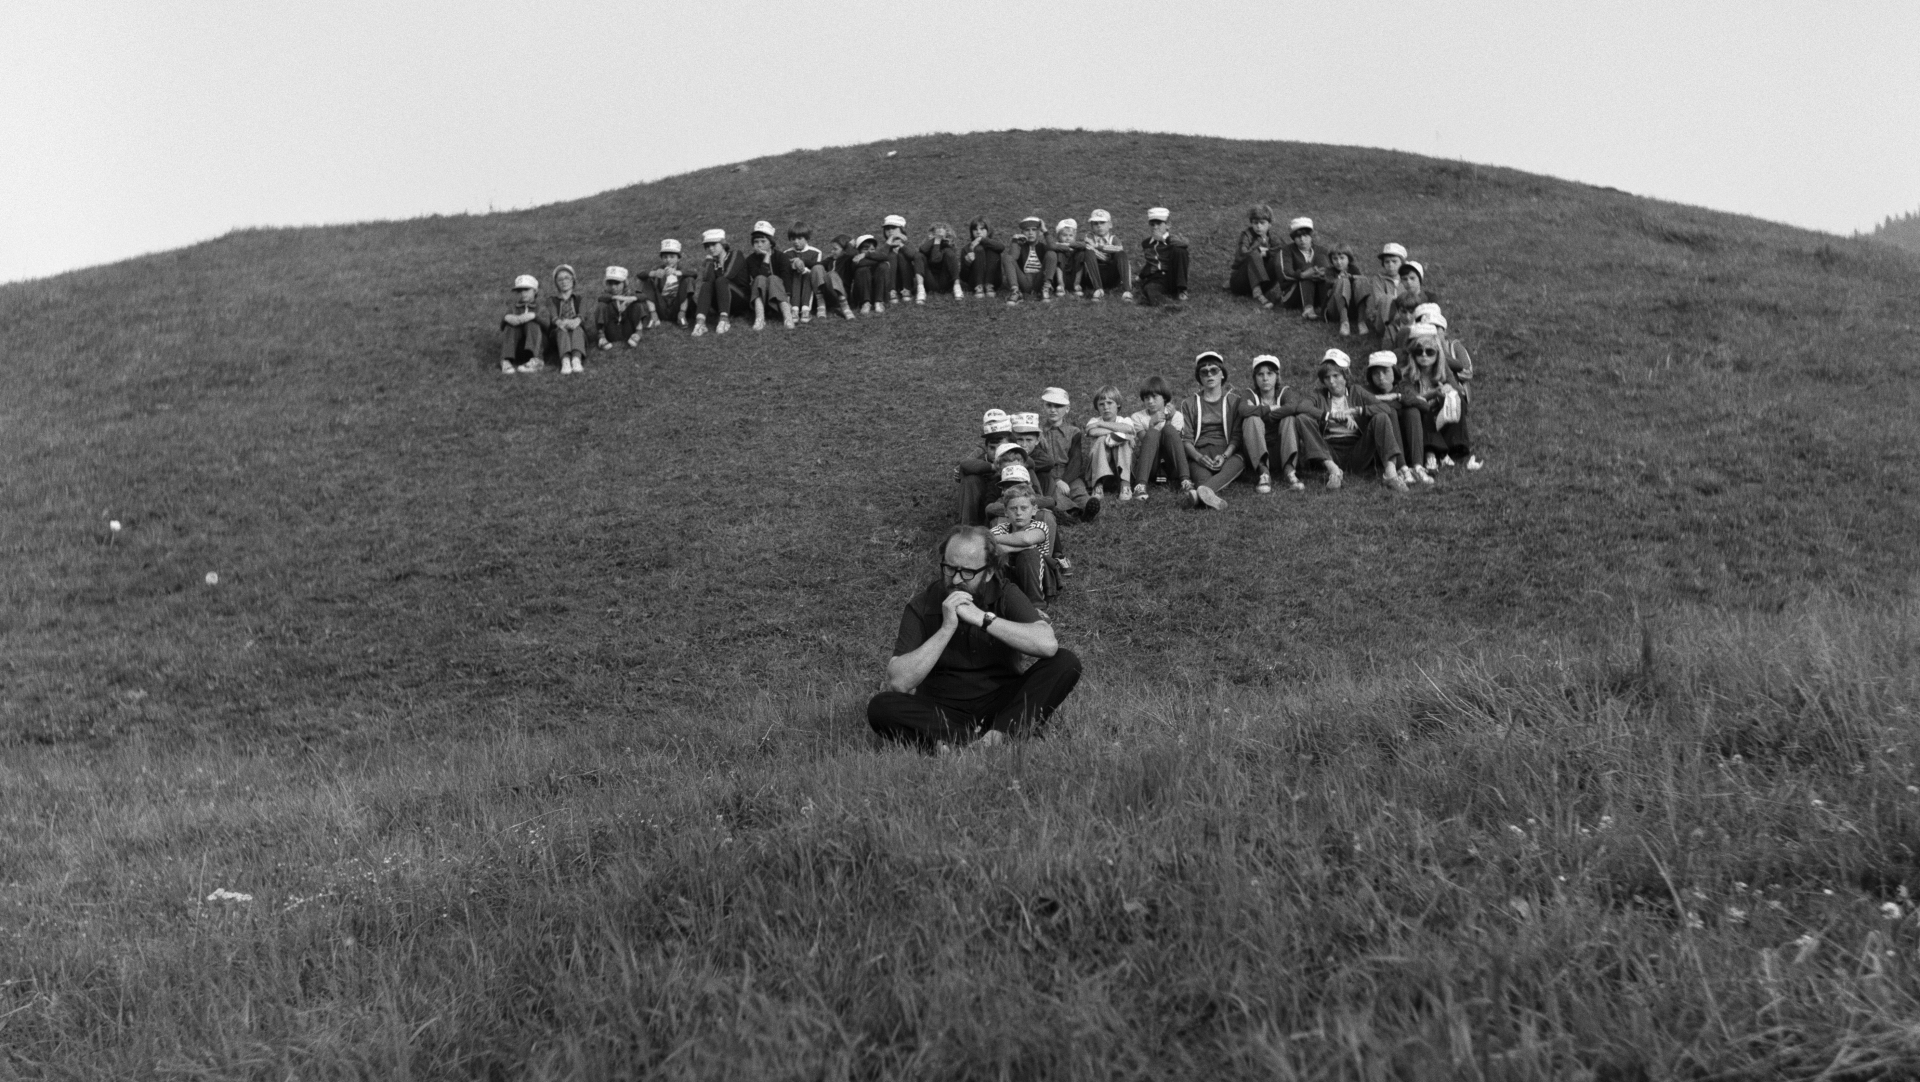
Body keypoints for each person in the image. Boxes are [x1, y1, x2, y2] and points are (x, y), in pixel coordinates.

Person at [866, 526, 1082, 751]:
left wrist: (983, 618)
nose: (956, 579)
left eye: (967, 572)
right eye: (949, 569)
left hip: (1001, 702)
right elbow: (899, 682)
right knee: (881, 707)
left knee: (1066, 662)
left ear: (988, 572)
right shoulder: (923, 604)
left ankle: (988, 737)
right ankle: (976, 740)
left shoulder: (1005, 593)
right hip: (943, 708)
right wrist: (946, 628)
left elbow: (1047, 644)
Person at [1287, 353, 1410, 492]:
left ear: (1346, 375)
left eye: (1336, 376)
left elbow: (1385, 407)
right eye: (1326, 378)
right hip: (1329, 451)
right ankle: (1334, 471)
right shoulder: (1319, 394)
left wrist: (1356, 411)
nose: (1331, 382)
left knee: (1381, 417)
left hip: (1357, 449)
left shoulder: (1356, 391)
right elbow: (1302, 407)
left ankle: (1391, 474)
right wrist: (1329, 415)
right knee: (1302, 418)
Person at [1401, 331, 1483, 472]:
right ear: (1413, 355)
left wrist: (1449, 389)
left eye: (1430, 352)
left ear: (1438, 354)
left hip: (1440, 415)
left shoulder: (1443, 369)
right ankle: (1434, 454)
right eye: (1419, 352)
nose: (1424, 355)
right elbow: (1410, 399)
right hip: (1421, 420)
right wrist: (1431, 394)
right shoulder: (1407, 374)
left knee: (1458, 401)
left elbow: (1459, 391)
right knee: (1423, 408)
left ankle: (1456, 449)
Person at [1178, 351, 1248, 509]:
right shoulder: (1189, 403)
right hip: (1200, 454)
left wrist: (1224, 456)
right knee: (1202, 477)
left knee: (1238, 461)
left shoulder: (1234, 401)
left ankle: (1197, 495)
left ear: (1222, 374)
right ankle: (1205, 494)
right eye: (1204, 372)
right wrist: (1198, 457)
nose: (1209, 374)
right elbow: (1186, 439)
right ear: (1199, 378)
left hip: (1227, 454)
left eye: (1214, 370)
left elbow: (1236, 436)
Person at [1236, 354, 1306, 493]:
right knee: (1252, 419)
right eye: (1260, 374)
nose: (1265, 378)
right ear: (1255, 378)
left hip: (1281, 450)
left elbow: (1292, 407)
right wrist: (1269, 408)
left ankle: (1289, 470)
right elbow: (1243, 410)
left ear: (1277, 376)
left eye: (1270, 373)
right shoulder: (1250, 394)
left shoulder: (1285, 392)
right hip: (1256, 453)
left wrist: (1265, 415)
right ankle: (1263, 473)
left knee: (1289, 418)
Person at [989, 484, 1059, 601]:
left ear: (1034, 510)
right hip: (1010, 578)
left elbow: (1027, 539)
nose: (1018, 513)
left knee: (1029, 554)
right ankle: (999, 599)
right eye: (1013, 509)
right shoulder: (1001, 529)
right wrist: (1017, 548)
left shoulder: (1039, 526)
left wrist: (995, 540)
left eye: (1024, 508)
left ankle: (1036, 604)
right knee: (994, 557)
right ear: (1006, 512)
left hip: (1036, 580)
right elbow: (990, 547)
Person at [1127, 374, 1191, 500]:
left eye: (1154, 397)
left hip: (1171, 465)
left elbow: (1175, 444)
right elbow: (1146, 442)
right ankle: (1140, 485)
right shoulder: (1137, 417)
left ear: (1165, 398)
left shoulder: (1177, 416)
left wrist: (1169, 420)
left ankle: (1185, 481)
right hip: (1151, 466)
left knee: (1168, 429)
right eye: (1146, 398)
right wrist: (1151, 424)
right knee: (1152, 433)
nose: (1150, 401)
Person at [954, 409, 1014, 525]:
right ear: (986, 448)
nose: (997, 452)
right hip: (980, 503)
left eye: (1001, 447)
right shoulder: (982, 458)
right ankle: (966, 527)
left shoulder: (1016, 457)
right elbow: (964, 465)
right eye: (992, 448)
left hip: (1006, 505)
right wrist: (993, 467)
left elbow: (1032, 463)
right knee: (970, 480)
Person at [1081, 385, 1138, 498]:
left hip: (1122, 469)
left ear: (1118, 404)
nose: (1106, 407)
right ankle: (1098, 486)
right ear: (1097, 407)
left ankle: (1125, 486)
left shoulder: (1125, 420)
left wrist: (1100, 424)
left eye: (1109, 403)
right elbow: (1092, 432)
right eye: (1101, 404)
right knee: (1105, 438)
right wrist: (1120, 433)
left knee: (1122, 442)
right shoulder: (1093, 421)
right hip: (1099, 469)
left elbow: (1128, 428)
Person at [741, 221, 796, 330]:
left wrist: (788, 299)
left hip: (780, 298)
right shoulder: (750, 260)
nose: (759, 245)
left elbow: (786, 278)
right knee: (760, 278)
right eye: (756, 242)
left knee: (773, 278)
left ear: (771, 242)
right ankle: (760, 318)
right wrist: (766, 259)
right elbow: (758, 280)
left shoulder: (781, 257)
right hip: (761, 299)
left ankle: (787, 317)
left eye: (763, 241)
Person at [690, 229, 743, 337]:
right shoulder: (713, 261)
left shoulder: (736, 254)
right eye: (708, 246)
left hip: (739, 299)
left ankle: (724, 320)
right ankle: (700, 323)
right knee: (706, 285)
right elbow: (708, 280)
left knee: (721, 280)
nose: (710, 248)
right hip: (721, 300)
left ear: (723, 243)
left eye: (714, 244)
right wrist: (709, 262)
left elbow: (729, 275)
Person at [1073, 208, 1132, 301]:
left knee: (1121, 254)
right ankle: (1098, 289)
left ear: (1110, 225)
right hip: (1093, 275)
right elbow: (1089, 249)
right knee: (1088, 252)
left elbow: (1119, 248)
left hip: (1111, 275)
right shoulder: (1089, 237)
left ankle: (1127, 290)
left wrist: (1097, 246)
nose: (1099, 226)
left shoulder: (1114, 239)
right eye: (1095, 223)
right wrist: (1107, 255)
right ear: (1091, 226)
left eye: (1102, 223)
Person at [1229, 204, 1282, 306]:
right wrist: (1258, 249)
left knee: (1279, 257)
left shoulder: (1272, 237)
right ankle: (1258, 294)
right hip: (1240, 282)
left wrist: (1265, 252)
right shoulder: (1246, 235)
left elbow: (1281, 250)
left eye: (1262, 223)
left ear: (1269, 224)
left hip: (1264, 282)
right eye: (1255, 223)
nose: (1258, 226)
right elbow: (1242, 254)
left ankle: (1285, 291)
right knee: (1254, 254)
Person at [540, 264, 589, 373]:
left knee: (577, 330)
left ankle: (576, 359)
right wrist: (561, 323)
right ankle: (565, 360)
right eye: (560, 279)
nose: (564, 281)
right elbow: (554, 317)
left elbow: (582, 315)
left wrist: (575, 321)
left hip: (577, 328)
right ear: (556, 283)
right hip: (558, 330)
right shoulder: (551, 300)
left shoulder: (581, 298)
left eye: (567, 278)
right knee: (561, 331)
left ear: (573, 279)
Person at [1137, 208, 1190, 306]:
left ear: (1168, 225)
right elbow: (1150, 262)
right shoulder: (1146, 243)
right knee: (1150, 289)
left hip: (1173, 276)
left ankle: (1182, 289)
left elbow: (1185, 243)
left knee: (1180, 250)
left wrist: (1163, 239)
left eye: (1159, 224)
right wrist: (1141, 276)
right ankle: (1167, 305)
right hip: (1157, 278)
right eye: (1152, 224)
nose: (1155, 227)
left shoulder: (1175, 239)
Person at [1277, 217, 1329, 318]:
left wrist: (1323, 274)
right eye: (1298, 236)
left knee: (1321, 260)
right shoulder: (1287, 250)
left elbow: (1334, 271)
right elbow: (1285, 273)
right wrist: (1302, 274)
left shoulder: (1322, 250)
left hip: (1317, 293)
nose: (1302, 239)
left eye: (1305, 235)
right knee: (1306, 269)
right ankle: (1308, 309)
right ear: (1293, 238)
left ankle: (1326, 308)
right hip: (1292, 296)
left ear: (1311, 236)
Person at [1002, 215, 1055, 304]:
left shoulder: (1043, 247)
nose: (1030, 233)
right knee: (1007, 257)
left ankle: (1045, 289)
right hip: (1024, 280)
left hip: (1040, 280)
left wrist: (1045, 231)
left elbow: (1053, 249)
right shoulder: (1021, 247)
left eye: (1034, 230)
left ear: (1039, 232)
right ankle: (1016, 291)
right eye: (1027, 230)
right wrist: (1015, 241)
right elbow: (1012, 258)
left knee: (1051, 254)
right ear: (1022, 232)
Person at [642, 239, 695, 328]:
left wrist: (677, 272)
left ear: (678, 258)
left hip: (677, 306)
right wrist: (654, 273)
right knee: (646, 279)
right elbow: (640, 274)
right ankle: (654, 316)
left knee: (689, 279)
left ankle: (681, 316)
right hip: (662, 307)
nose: (668, 260)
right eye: (665, 257)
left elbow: (694, 274)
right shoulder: (659, 269)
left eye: (672, 257)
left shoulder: (682, 269)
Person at [590, 266, 644, 352]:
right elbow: (601, 297)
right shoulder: (606, 295)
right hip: (611, 329)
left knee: (637, 304)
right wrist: (616, 297)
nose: (613, 287)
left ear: (624, 283)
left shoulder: (629, 293)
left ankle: (638, 333)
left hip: (627, 327)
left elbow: (643, 296)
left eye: (617, 283)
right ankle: (601, 337)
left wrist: (631, 299)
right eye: (610, 283)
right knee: (601, 305)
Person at [499, 274, 544, 373]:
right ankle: (506, 360)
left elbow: (548, 325)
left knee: (531, 323)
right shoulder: (513, 307)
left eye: (527, 290)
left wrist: (534, 316)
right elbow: (502, 327)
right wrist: (506, 318)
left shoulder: (540, 307)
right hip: (518, 348)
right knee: (511, 325)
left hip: (538, 345)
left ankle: (536, 360)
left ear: (535, 291)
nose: (523, 294)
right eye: (520, 291)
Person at [1363, 243, 1408, 338]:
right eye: (1387, 262)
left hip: (1404, 316)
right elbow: (1379, 300)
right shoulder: (1379, 279)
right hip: (1382, 319)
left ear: (1402, 263)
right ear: (1383, 264)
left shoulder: (1406, 279)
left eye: (1394, 261)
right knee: (1387, 298)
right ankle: (1392, 333)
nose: (1390, 265)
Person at [1322, 244, 1368, 337]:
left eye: (1342, 258)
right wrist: (1341, 278)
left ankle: (1361, 321)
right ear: (1331, 260)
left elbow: (1364, 279)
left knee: (1360, 281)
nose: (1339, 262)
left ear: (1349, 259)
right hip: (1335, 309)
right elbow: (1329, 282)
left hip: (1352, 308)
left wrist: (1351, 276)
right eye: (1335, 259)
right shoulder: (1329, 271)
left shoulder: (1353, 269)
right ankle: (1344, 322)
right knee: (1343, 281)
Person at [781, 222, 824, 323]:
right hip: (793, 282)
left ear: (807, 238)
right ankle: (794, 309)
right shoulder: (787, 253)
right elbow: (786, 271)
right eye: (793, 239)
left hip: (809, 282)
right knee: (797, 274)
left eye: (800, 238)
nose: (796, 242)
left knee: (807, 274)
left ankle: (805, 309)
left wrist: (803, 269)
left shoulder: (816, 252)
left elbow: (815, 268)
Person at [880, 214, 927, 304]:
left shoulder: (906, 243)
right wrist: (889, 243)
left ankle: (907, 289)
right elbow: (881, 255)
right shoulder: (885, 245)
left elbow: (913, 256)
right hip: (890, 279)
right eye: (887, 228)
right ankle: (891, 291)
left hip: (906, 277)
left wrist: (902, 245)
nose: (890, 231)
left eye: (893, 228)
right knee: (892, 256)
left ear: (901, 229)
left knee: (902, 256)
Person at [961, 217, 1006, 298]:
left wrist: (982, 240)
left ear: (988, 230)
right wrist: (967, 263)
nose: (978, 232)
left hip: (994, 280)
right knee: (978, 249)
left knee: (992, 249)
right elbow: (963, 277)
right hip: (974, 282)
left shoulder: (994, 245)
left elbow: (1001, 247)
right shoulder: (966, 248)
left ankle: (989, 285)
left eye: (982, 229)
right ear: (971, 231)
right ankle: (979, 286)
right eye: (975, 229)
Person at [920, 221, 964, 299]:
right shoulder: (927, 246)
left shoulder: (947, 247)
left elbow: (936, 258)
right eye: (936, 234)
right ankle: (920, 290)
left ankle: (957, 286)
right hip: (930, 281)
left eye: (941, 235)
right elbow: (924, 251)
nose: (939, 237)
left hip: (945, 281)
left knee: (948, 252)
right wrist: (935, 241)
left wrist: (938, 242)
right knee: (919, 256)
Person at [1046, 218, 1081, 298]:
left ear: (1075, 236)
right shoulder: (1057, 245)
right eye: (1064, 235)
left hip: (1073, 274)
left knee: (1081, 254)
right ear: (1058, 236)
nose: (1068, 238)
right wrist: (1067, 248)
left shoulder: (1077, 245)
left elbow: (1085, 246)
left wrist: (1072, 246)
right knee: (1060, 254)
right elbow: (1050, 246)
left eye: (1071, 235)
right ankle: (1060, 284)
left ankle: (1077, 283)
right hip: (1061, 275)